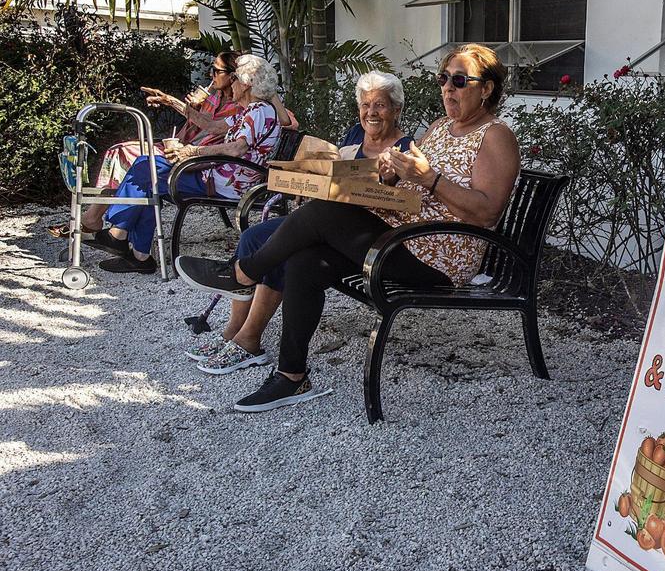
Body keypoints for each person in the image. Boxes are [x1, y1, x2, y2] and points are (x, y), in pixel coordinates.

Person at [176, 43, 521, 412]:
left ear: (486, 89)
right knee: (306, 259)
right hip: (399, 236)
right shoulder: (440, 128)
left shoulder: (496, 135)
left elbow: (487, 214)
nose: (448, 88)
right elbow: (411, 180)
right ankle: (292, 376)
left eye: (459, 80)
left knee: (325, 212)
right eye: (443, 79)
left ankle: (241, 273)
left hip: (436, 257)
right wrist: (391, 175)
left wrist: (429, 177)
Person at [187, 70, 415, 375]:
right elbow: (332, 177)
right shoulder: (352, 138)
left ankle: (249, 338)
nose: (371, 113)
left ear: (397, 109)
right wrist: (307, 181)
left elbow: (404, 204)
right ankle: (234, 330)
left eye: (380, 106)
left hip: (361, 234)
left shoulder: (406, 150)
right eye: (365, 105)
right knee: (255, 237)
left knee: (291, 247)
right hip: (326, 219)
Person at [92, 54, 283, 274]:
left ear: (247, 84)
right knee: (148, 173)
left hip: (225, 184)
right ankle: (136, 253)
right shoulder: (250, 111)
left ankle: (121, 237)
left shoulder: (259, 111)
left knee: (147, 167)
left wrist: (192, 152)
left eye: (235, 80)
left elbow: (236, 148)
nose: (232, 84)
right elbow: (210, 125)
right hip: (217, 176)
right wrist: (170, 101)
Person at [47, 51, 244, 238]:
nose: (211, 75)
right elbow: (197, 121)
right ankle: (102, 222)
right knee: (118, 153)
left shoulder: (240, 107)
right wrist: (192, 104)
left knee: (131, 158)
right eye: (211, 69)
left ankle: (103, 224)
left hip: (194, 159)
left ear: (233, 75)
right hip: (179, 148)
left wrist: (173, 102)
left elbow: (210, 126)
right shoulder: (214, 97)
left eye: (217, 71)